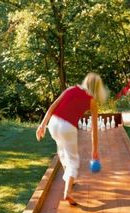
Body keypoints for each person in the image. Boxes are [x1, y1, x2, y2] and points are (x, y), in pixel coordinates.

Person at [36, 72, 106, 205]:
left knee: (62, 152)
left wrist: (42, 125)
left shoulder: (70, 89)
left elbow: (53, 106)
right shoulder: (92, 101)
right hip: (67, 127)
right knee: (73, 161)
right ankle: (67, 192)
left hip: (53, 123)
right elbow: (94, 130)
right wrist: (95, 150)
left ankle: (68, 178)